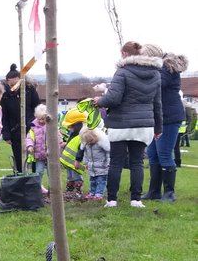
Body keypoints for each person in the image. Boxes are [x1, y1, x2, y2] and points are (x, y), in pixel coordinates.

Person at [92, 41, 163, 209]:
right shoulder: (156, 74)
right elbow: (157, 104)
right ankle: (136, 199)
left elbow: (113, 99)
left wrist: (99, 101)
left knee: (116, 162)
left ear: (124, 54)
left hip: (121, 124)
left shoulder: (122, 72)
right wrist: (158, 128)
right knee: (137, 163)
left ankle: (112, 200)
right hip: (144, 125)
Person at [145, 52, 188, 201]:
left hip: (169, 118)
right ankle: (154, 191)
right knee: (152, 154)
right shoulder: (163, 69)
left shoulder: (167, 69)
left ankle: (169, 193)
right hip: (159, 118)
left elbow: (158, 83)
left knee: (164, 154)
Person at [0, 64, 41, 173]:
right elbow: (4, 116)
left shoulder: (29, 90)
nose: (13, 86)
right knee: (18, 158)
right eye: (10, 83)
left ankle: (34, 180)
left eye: (15, 82)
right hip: (15, 131)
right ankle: (21, 179)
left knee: (33, 157)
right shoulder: (5, 96)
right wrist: (6, 134)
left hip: (31, 129)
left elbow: (37, 108)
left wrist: (37, 126)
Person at [24, 103, 59, 193]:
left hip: (50, 155)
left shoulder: (51, 126)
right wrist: (30, 146)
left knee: (51, 172)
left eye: (43, 119)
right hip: (39, 155)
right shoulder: (33, 127)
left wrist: (56, 147)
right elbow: (29, 137)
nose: (41, 121)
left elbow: (58, 137)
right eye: (39, 119)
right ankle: (38, 187)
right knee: (39, 172)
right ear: (36, 116)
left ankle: (53, 189)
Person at [79, 126, 111, 200]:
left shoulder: (100, 145)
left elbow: (108, 154)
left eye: (91, 140)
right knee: (92, 181)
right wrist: (86, 163)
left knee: (101, 181)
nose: (90, 143)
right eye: (88, 141)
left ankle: (99, 194)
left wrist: (108, 163)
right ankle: (92, 193)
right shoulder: (87, 145)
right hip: (92, 167)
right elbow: (86, 154)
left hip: (102, 166)